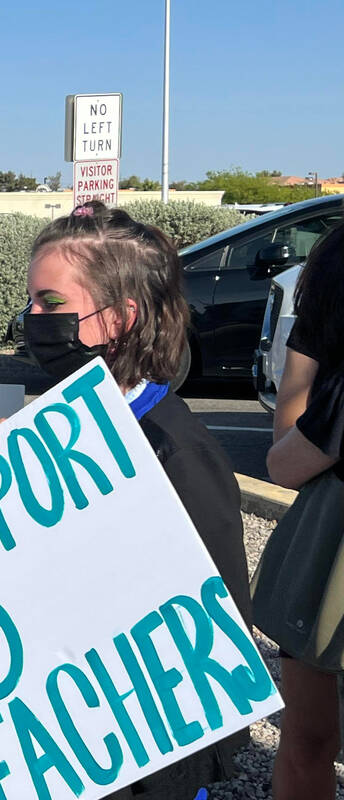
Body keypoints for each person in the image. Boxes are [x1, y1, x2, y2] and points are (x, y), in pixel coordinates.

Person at [0, 201, 253, 799]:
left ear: (119, 319)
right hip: (48, 744)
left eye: (51, 305)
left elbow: (215, 642)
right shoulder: (40, 430)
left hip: (138, 765)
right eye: (31, 301)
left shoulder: (176, 453)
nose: (31, 318)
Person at [261, 223, 344, 799]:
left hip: (323, 554)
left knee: (306, 743)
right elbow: (284, 460)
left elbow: (286, 463)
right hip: (324, 556)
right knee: (307, 740)